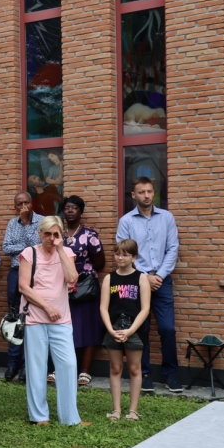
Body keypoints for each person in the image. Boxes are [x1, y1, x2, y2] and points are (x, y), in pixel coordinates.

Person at [18, 216, 89, 427]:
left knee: (68, 365)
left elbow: (72, 278)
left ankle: (70, 418)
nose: (51, 237)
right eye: (47, 233)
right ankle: (39, 416)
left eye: (55, 234)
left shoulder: (66, 253)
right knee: (36, 367)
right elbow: (23, 287)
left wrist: (60, 250)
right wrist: (47, 307)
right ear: (39, 233)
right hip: (35, 318)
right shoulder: (29, 253)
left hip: (62, 319)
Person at [116, 177, 182, 393]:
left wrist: (159, 275)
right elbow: (123, 253)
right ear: (133, 195)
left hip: (162, 281)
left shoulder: (166, 218)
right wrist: (145, 277)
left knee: (167, 328)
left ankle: (171, 374)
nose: (146, 195)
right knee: (140, 329)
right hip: (136, 281)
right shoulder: (126, 221)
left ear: (154, 193)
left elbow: (172, 248)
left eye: (149, 191)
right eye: (141, 192)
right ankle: (143, 374)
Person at [99, 239, 151, 422]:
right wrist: (111, 330)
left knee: (135, 369)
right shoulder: (109, 278)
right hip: (113, 328)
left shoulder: (141, 278)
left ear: (134, 257)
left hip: (134, 330)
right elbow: (103, 308)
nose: (120, 258)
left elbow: (145, 308)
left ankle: (133, 410)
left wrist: (130, 331)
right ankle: (116, 410)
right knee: (115, 368)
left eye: (125, 254)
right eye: (117, 254)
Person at [61, 195, 105, 386]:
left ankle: (85, 370)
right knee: (63, 328)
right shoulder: (57, 234)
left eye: (74, 208)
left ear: (81, 211)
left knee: (88, 326)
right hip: (62, 288)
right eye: (67, 208)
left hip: (86, 288)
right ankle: (61, 368)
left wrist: (81, 273)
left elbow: (100, 262)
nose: (70, 211)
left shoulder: (89, 234)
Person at [2, 191, 43, 383]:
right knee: (14, 316)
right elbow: (6, 248)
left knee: (32, 317)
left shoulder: (42, 222)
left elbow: (40, 247)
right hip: (16, 272)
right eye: (19, 204)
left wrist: (26, 225)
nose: (23, 206)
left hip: (37, 274)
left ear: (32, 203)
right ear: (15, 206)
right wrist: (28, 247)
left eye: (26, 202)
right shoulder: (12, 223)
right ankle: (12, 364)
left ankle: (27, 365)